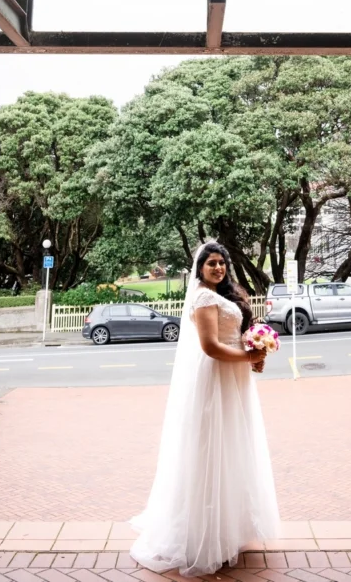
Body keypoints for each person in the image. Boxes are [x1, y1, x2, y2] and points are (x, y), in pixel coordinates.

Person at [130, 240, 281, 576]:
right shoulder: (201, 297)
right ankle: (201, 534)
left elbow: (234, 335)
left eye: (221, 263)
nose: (218, 268)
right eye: (211, 263)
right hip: (215, 379)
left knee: (233, 448)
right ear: (199, 267)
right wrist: (250, 356)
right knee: (211, 449)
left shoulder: (225, 294)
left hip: (234, 379)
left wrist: (254, 350)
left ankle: (230, 529)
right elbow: (211, 347)